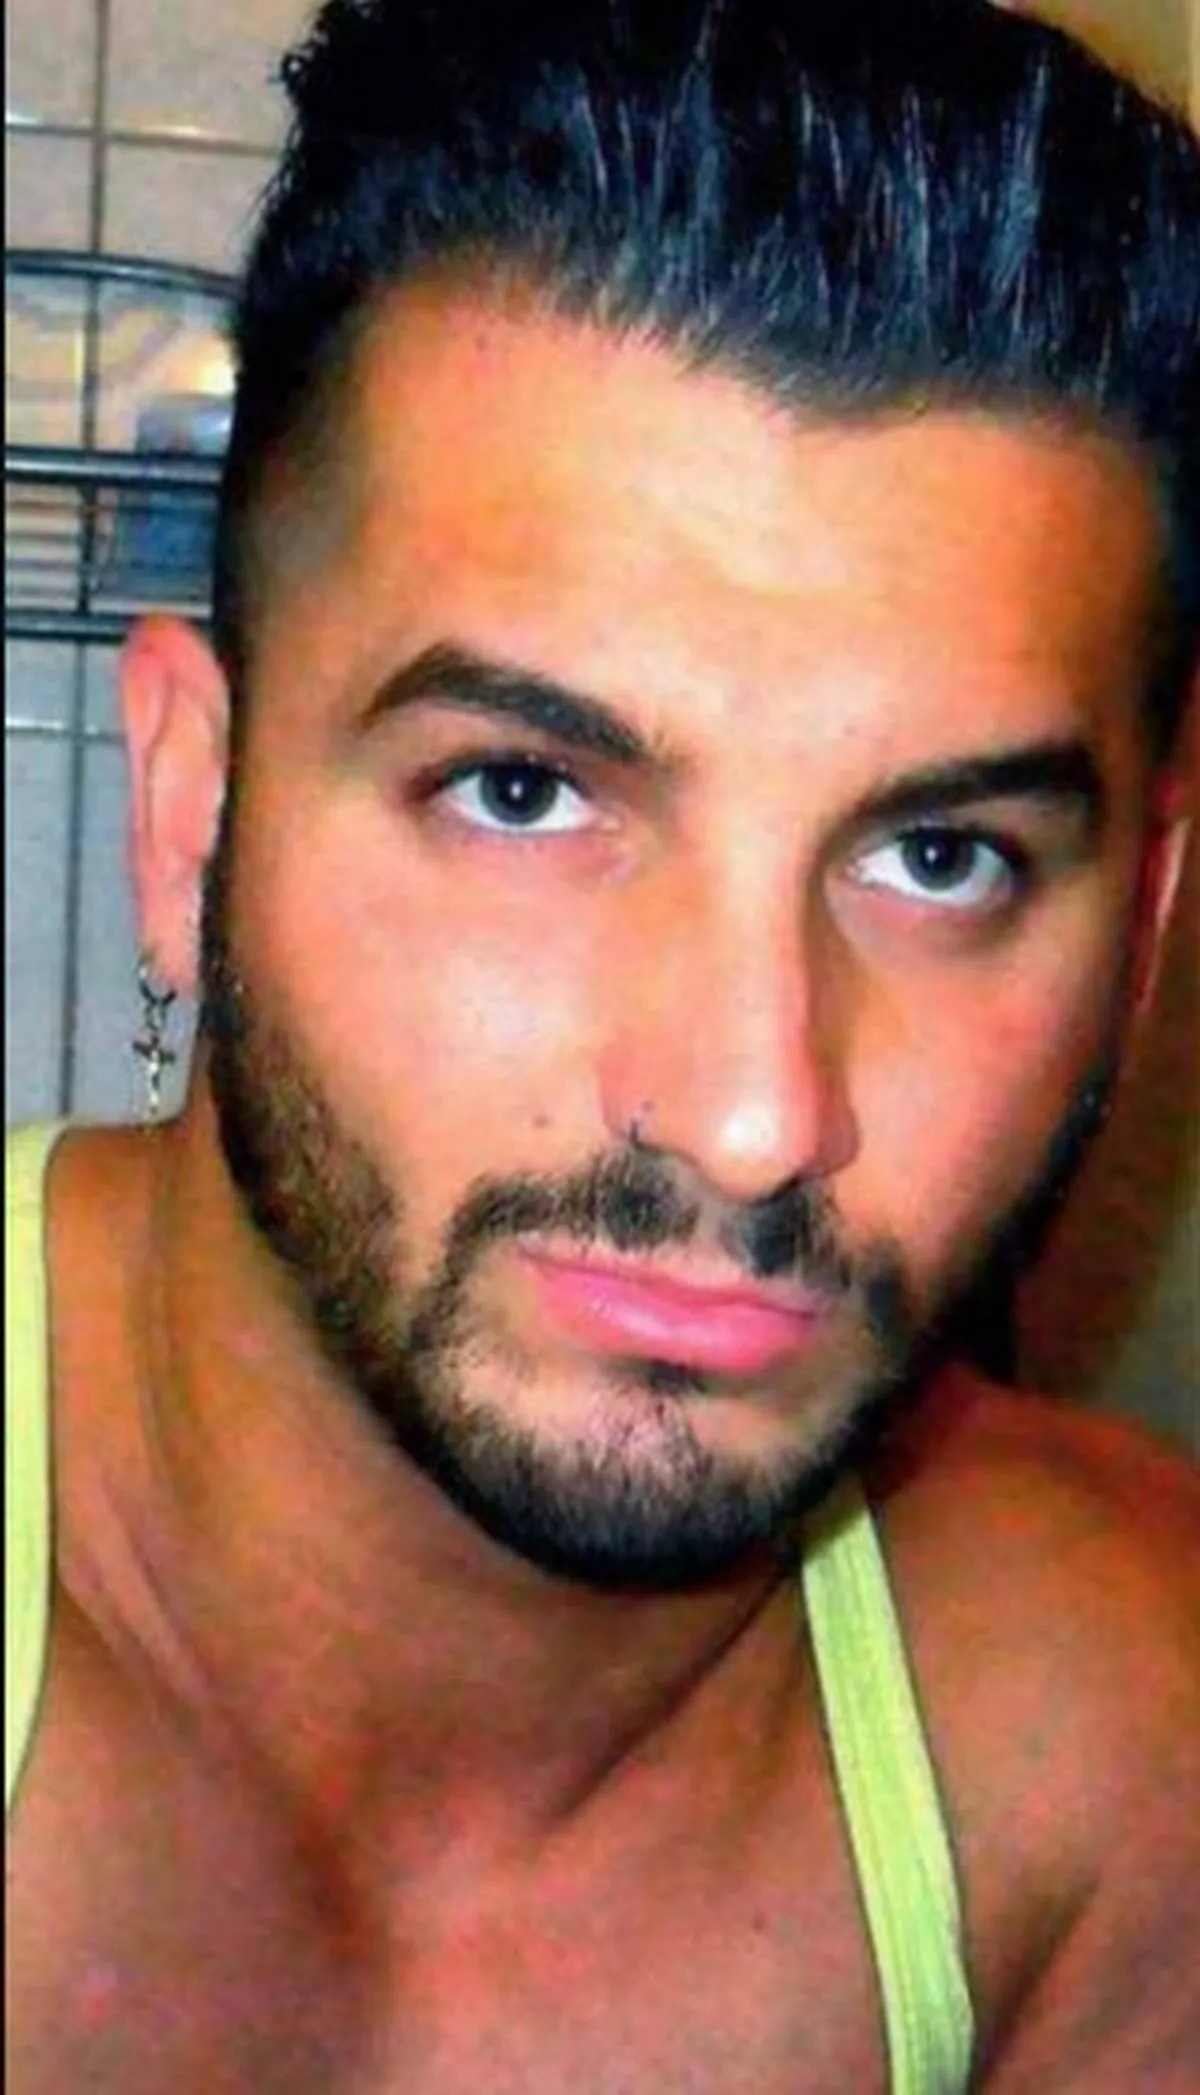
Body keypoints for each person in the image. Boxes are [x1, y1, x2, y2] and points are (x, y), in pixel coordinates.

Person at [6, 0, 1199, 2087]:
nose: (751, 1116)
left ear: (1149, 930)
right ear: (193, 800)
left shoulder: (1124, 1752)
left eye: (938, 858)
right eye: (525, 793)